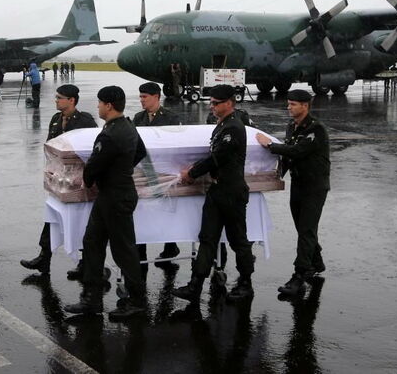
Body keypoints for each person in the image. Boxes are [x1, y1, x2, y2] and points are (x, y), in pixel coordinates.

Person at [63, 86, 148, 321]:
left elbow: (94, 165)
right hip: (114, 193)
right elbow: (140, 151)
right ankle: (91, 298)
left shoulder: (110, 134)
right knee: (92, 242)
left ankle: (137, 301)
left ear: (109, 105)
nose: (98, 106)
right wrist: (124, 167)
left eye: (100, 103)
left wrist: (90, 178)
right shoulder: (128, 126)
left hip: (115, 196)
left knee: (123, 250)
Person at [173, 84, 255, 303]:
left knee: (238, 240)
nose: (212, 106)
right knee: (207, 238)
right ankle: (195, 285)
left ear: (230, 103)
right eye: (211, 102)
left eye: (216, 103)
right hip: (218, 190)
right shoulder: (221, 126)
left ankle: (245, 284)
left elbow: (217, 157)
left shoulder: (234, 127)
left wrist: (192, 172)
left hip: (232, 192)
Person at [256, 88, 330, 297]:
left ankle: (299, 277)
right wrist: (275, 176)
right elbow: (290, 156)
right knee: (303, 228)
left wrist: (270, 145)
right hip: (299, 184)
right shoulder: (292, 126)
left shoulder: (316, 129)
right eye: (288, 104)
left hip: (314, 187)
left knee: (306, 230)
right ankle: (316, 261)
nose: (288, 108)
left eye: (293, 104)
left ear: (305, 106)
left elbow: (297, 150)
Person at [20, 84, 97, 275]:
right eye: (56, 97)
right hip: (59, 180)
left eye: (59, 98)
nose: (56, 100)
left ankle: (86, 263)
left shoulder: (85, 120)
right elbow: (50, 146)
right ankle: (44, 257)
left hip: (77, 182)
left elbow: (91, 149)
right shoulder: (55, 119)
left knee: (81, 221)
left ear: (71, 100)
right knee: (52, 217)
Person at [132, 82, 182, 266]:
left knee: (165, 209)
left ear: (156, 97)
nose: (141, 100)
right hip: (144, 171)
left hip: (163, 172)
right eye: (140, 96)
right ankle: (140, 252)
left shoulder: (171, 118)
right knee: (143, 211)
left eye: (145, 97)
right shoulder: (138, 118)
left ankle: (170, 246)